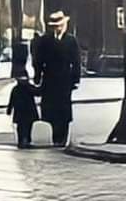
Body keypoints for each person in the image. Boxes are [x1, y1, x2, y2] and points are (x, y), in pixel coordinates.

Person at [33, 11, 80, 146]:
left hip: (65, 80)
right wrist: (37, 77)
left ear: (65, 25)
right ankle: (56, 135)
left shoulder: (71, 41)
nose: (58, 28)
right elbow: (38, 60)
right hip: (50, 79)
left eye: (60, 25)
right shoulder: (45, 40)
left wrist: (75, 80)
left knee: (64, 110)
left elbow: (76, 61)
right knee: (51, 110)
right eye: (55, 26)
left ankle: (62, 137)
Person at [7, 77, 40, 148]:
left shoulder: (16, 89)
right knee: (27, 126)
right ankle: (26, 141)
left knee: (21, 127)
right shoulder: (29, 87)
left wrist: (9, 109)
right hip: (29, 111)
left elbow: (11, 100)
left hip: (20, 111)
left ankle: (21, 141)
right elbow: (38, 93)